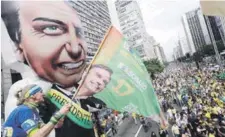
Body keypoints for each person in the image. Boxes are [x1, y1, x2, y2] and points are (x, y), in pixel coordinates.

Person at [1, 1, 97, 137]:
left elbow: (46, 129)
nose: (76, 48)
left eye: (79, 32)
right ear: (16, 45)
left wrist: (57, 123)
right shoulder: (22, 102)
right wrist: (57, 116)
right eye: (51, 28)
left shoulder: (34, 109)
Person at [2, 84, 71, 137]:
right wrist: (58, 115)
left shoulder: (33, 110)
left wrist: (61, 115)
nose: (43, 94)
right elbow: (37, 135)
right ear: (32, 96)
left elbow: (47, 129)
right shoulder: (24, 110)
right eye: (40, 92)